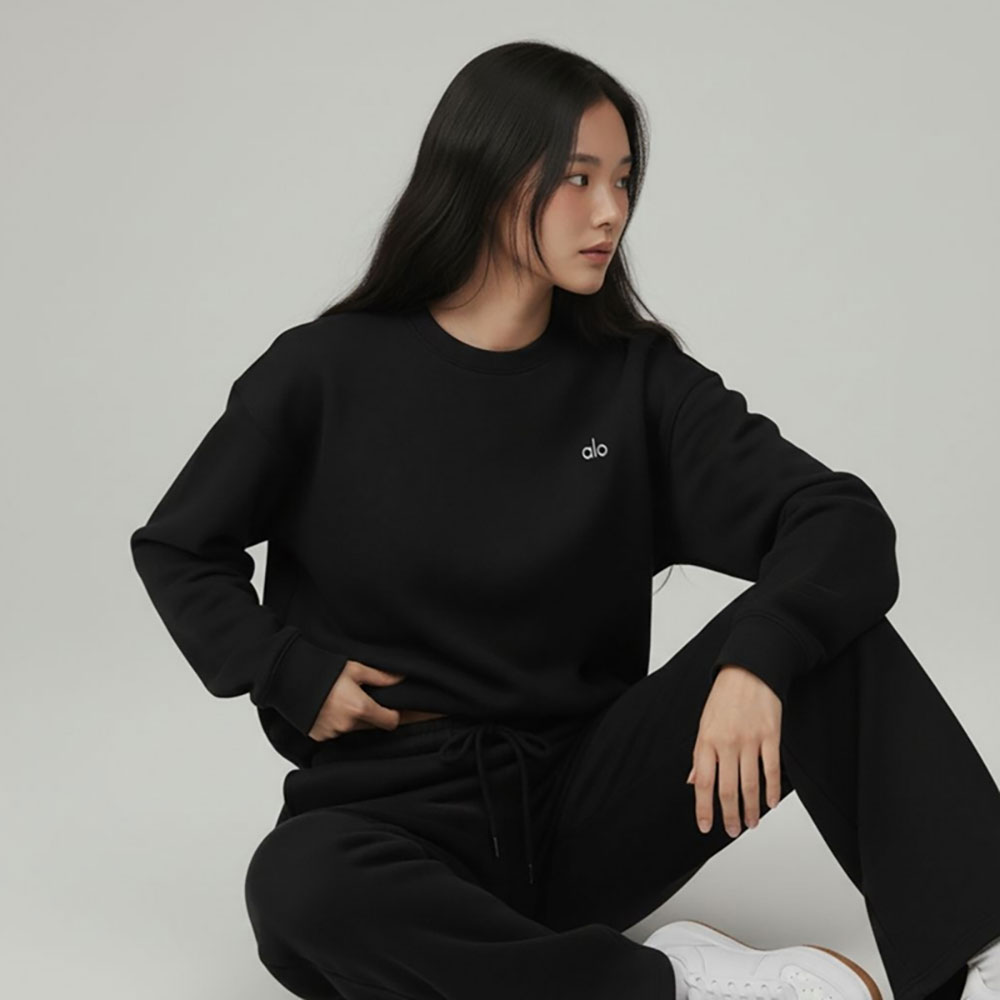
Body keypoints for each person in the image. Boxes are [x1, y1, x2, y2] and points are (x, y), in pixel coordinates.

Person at [129, 39, 1000, 1000]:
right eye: (578, 178)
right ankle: (667, 985)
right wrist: (284, 669)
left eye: (623, 180)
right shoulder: (324, 373)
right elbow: (180, 545)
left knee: (833, 645)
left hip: (592, 806)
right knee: (298, 890)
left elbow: (837, 519)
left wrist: (760, 657)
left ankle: (979, 953)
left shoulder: (637, 385)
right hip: (390, 812)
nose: (611, 211)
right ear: (488, 176)